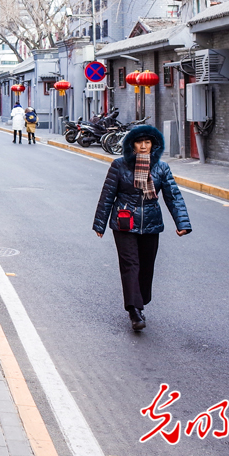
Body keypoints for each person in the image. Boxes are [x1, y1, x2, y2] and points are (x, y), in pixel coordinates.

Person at [93, 125, 191, 331]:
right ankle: (134, 310)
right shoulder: (119, 166)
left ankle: (141, 300)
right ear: (132, 145)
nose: (144, 146)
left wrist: (182, 223)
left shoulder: (161, 168)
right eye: (140, 142)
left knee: (146, 266)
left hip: (151, 224)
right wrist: (100, 223)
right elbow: (107, 195)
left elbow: (173, 196)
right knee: (130, 265)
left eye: (148, 143)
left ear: (153, 145)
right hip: (124, 222)